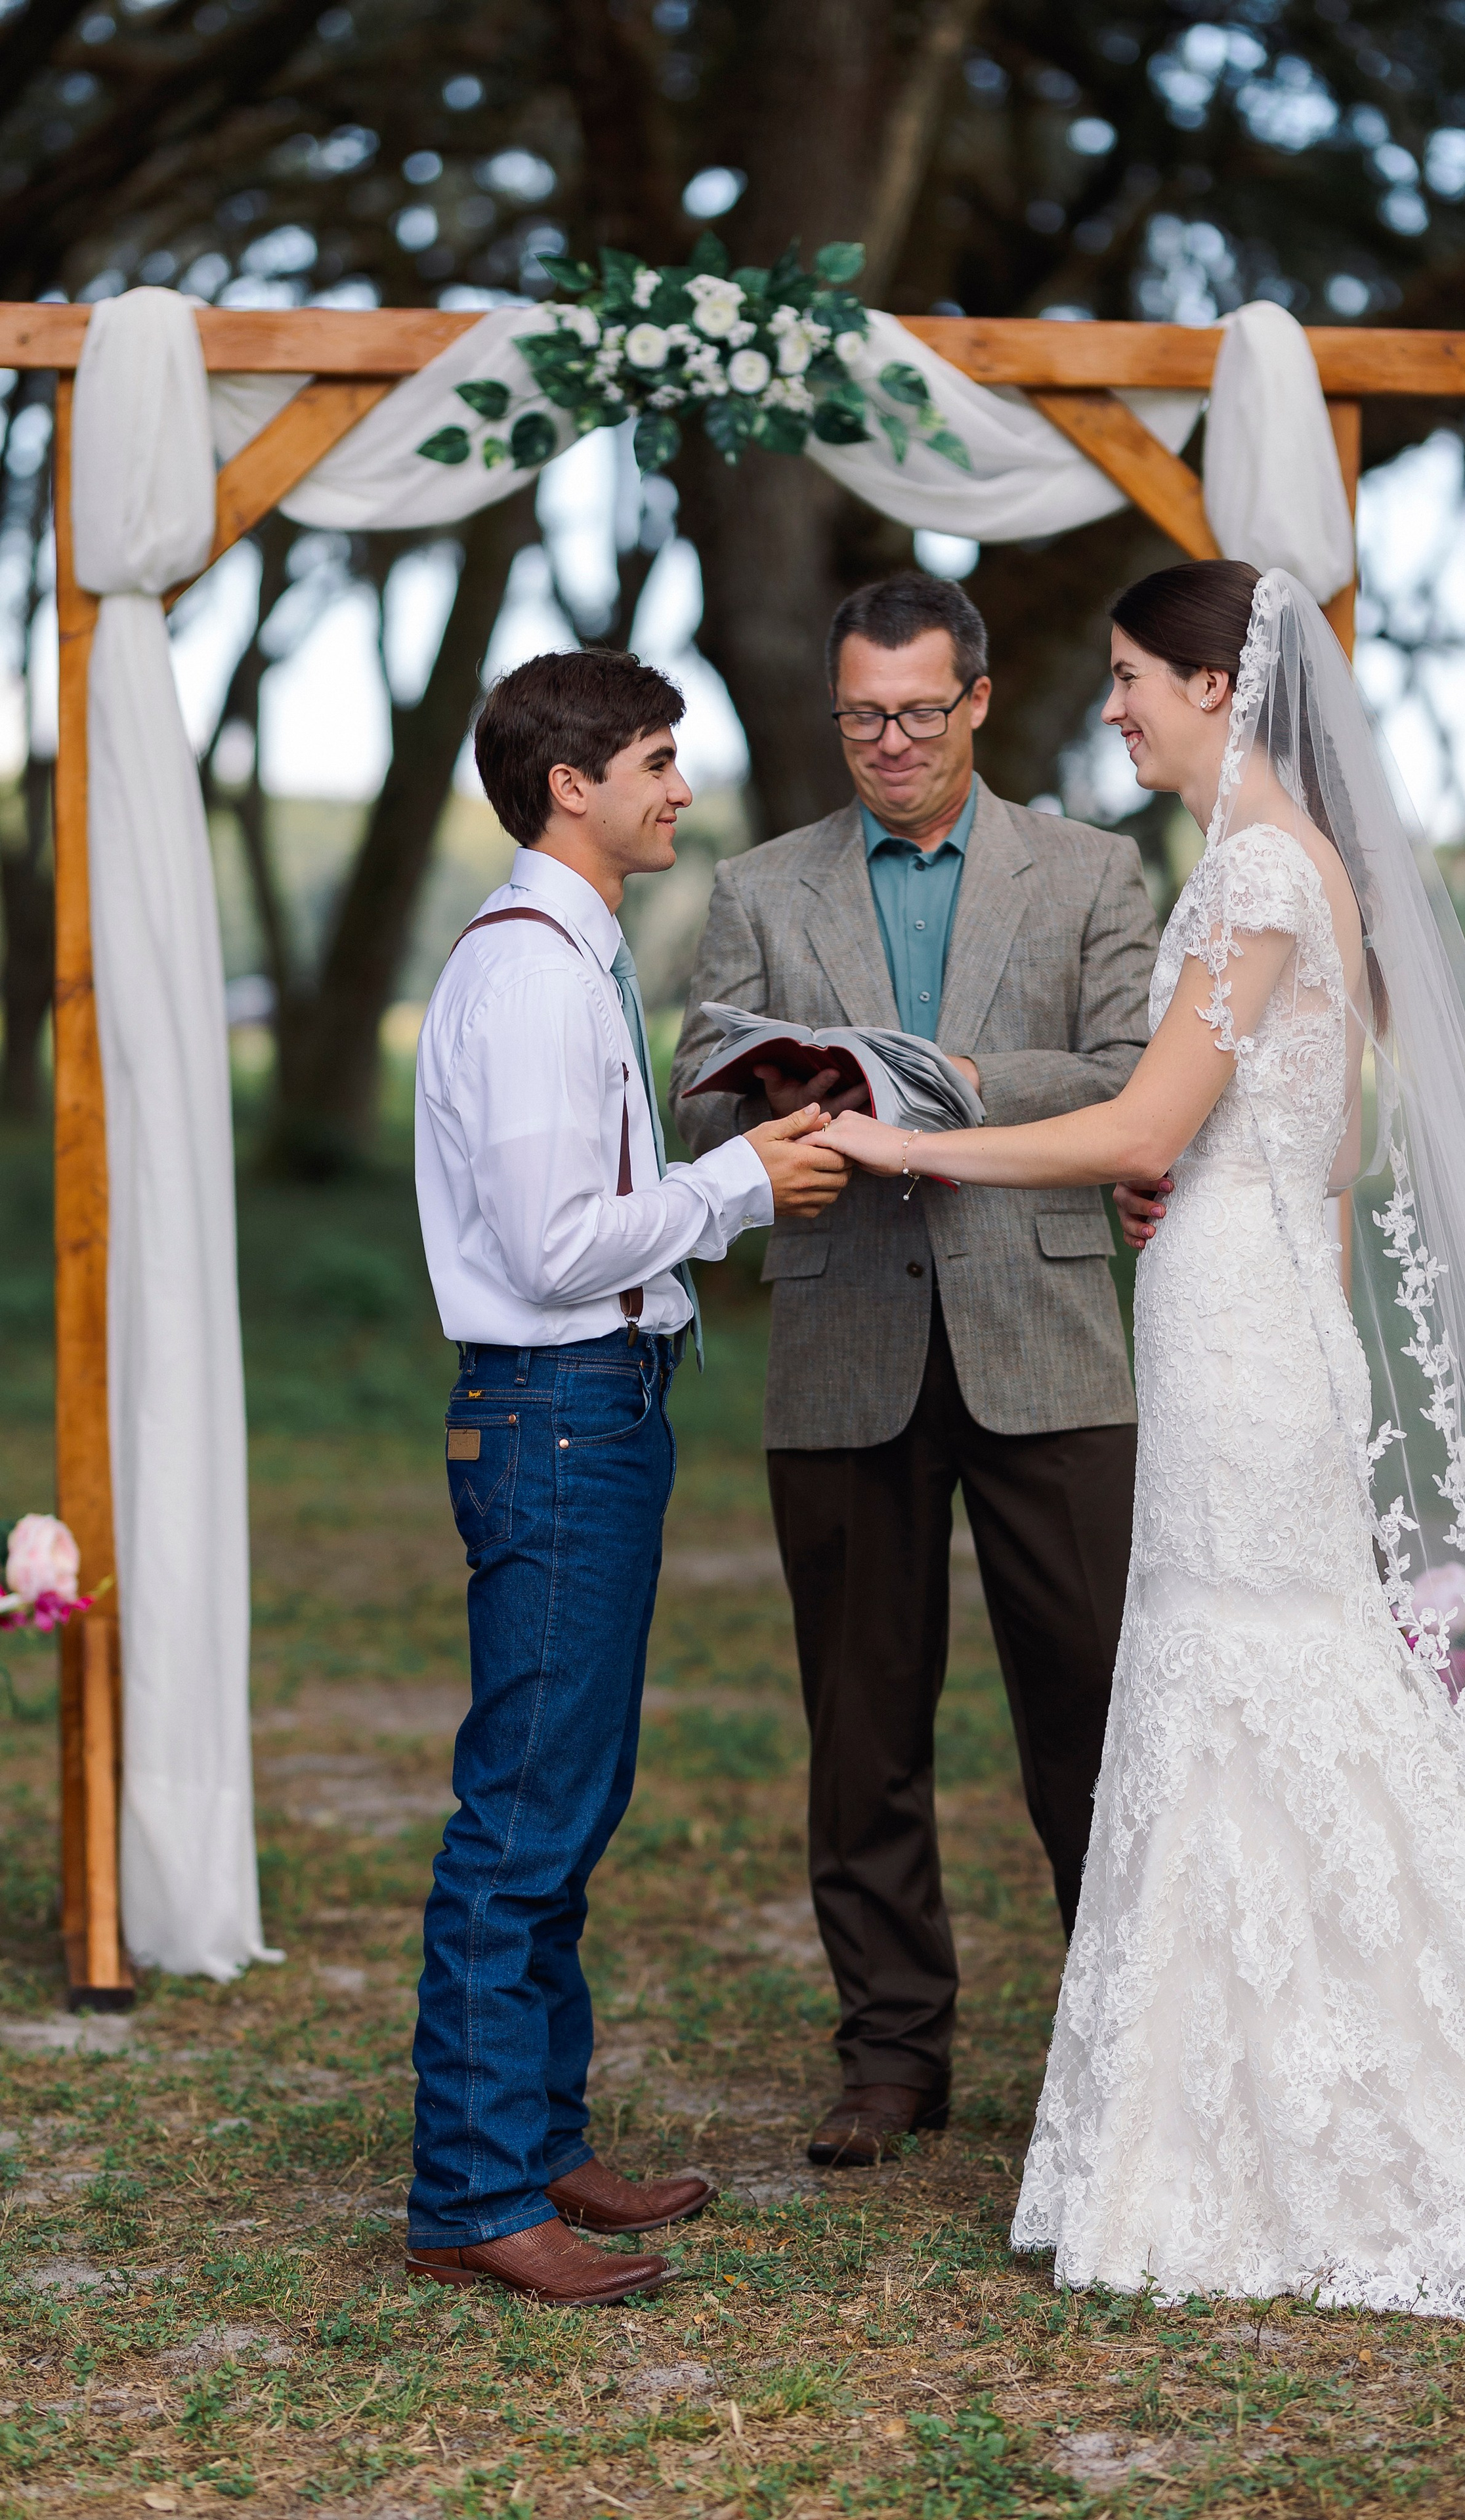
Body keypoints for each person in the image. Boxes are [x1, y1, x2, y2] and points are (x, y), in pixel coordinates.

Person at [824, 560, 1465, 2325]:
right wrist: (1188, 1183)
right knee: (1248, 1695)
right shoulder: (1309, 876)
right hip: (1255, 1313)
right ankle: (1232, 2099)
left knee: (1256, 1685)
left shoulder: (1261, 870)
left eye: (1137, 676)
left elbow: (1145, 1112)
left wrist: (909, 1150)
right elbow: (1307, 1152)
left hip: (1248, 1351)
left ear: (1222, 687)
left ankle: (1290, 2114)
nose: (1117, 704)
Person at [671, 572, 1162, 2168]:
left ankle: (1126, 2049)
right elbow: (696, 1086)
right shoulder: (759, 884)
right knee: (861, 1724)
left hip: (1049, 1337)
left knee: (1090, 1715)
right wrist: (786, 1102)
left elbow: (1127, 1076)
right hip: (841, 1340)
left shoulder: (1093, 871)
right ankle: (890, 2058)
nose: (886, 742)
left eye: (916, 712)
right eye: (859, 715)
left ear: (974, 699)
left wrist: (952, 1081)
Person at [405, 650, 851, 2307]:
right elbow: (547, 1248)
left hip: (599, 1402)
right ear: (568, 786)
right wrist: (733, 1177)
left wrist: (736, 1178)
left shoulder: (573, 955)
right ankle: (468, 2192)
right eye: (657, 761)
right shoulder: (528, 975)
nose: (680, 788)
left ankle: (535, 2140)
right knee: (520, 1813)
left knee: (568, 1802)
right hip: (553, 1412)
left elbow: (598, 1210)